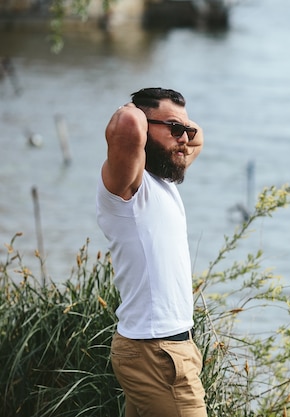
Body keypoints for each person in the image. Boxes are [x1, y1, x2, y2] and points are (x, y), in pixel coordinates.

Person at [96, 88, 207, 417]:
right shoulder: (128, 187)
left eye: (184, 131)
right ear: (145, 128)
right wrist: (133, 110)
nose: (184, 139)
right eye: (174, 130)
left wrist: (177, 125)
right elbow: (128, 125)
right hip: (156, 354)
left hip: (165, 350)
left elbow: (199, 137)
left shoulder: (164, 181)